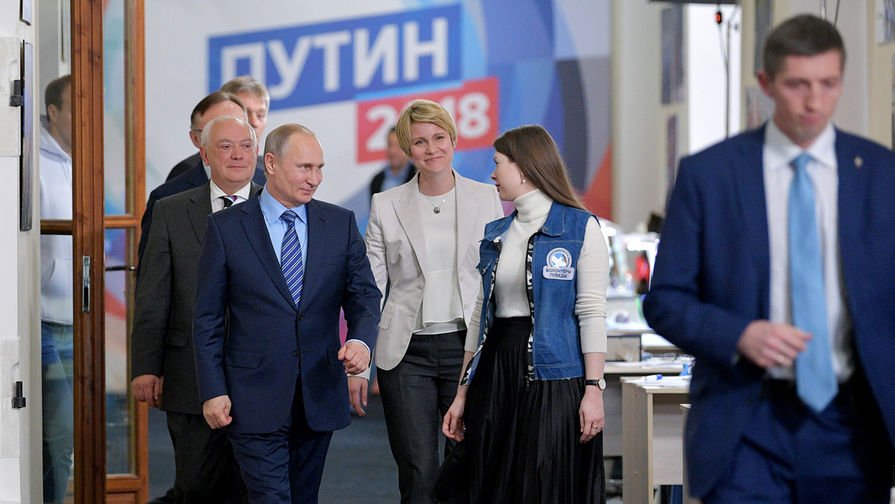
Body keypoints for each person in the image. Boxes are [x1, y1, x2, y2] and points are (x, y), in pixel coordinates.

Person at [643, 14, 895, 503]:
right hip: (746, 423)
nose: (814, 101)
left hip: (852, 427)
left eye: (828, 83)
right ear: (766, 83)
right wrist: (738, 334)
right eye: (797, 85)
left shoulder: (880, 174)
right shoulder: (709, 175)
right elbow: (665, 299)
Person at [192, 123, 381, 503]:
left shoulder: (339, 223)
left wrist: (361, 342)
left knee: (303, 497)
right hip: (252, 396)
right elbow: (207, 318)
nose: (315, 178)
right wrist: (213, 390)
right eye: (304, 167)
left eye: (319, 168)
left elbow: (364, 295)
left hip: (318, 393)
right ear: (271, 163)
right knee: (271, 497)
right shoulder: (226, 227)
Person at [442, 125, 608, 503]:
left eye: (498, 163)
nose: (492, 173)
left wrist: (593, 389)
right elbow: (480, 319)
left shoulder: (580, 228)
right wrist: (462, 393)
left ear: (524, 168)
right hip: (497, 372)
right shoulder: (496, 233)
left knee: (546, 483)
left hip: (557, 376)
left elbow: (591, 313)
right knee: (492, 484)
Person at [358, 99, 503, 503]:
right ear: (407, 149)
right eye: (420, 141)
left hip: (468, 350)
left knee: (467, 465)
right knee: (419, 473)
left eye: (439, 137)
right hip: (407, 354)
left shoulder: (486, 198)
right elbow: (371, 286)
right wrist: (361, 359)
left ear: (453, 140)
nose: (431, 148)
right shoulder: (386, 204)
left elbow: (498, 277)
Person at [131, 116, 262, 503]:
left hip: (262, 378)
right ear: (205, 155)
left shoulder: (280, 208)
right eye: (225, 146)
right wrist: (146, 365)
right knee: (195, 487)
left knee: (255, 488)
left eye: (246, 146)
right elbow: (154, 295)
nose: (237, 155)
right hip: (189, 377)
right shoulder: (171, 211)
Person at [138, 91, 256, 260]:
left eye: (238, 125)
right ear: (196, 140)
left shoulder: (272, 189)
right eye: (225, 142)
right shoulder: (167, 200)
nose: (237, 154)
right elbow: (153, 272)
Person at [39, 74, 74, 504]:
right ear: (53, 112)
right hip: (43, 322)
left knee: (68, 435)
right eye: (77, 108)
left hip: (80, 317)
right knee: (60, 430)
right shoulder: (32, 161)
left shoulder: (87, 160)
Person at [166, 76, 270, 182]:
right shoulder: (184, 172)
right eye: (240, 118)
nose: (253, 123)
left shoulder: (269, 173)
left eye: (260, 115)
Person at [368, 126, 415, 198]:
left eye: (398, 146)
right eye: (390, 145)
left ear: (407, 148)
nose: (393, 151)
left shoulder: (419, 177)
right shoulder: (377, 180)